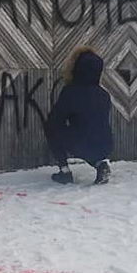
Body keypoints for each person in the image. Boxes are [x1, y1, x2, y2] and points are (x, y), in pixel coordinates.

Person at [45, 47, 113, 185]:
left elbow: (55, 120)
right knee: (90, 137)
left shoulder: (71, 92)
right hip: (105, 144)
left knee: (51, 128)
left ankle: (65, 171)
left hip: (81, 143)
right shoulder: (104, 94)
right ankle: (101, 165)